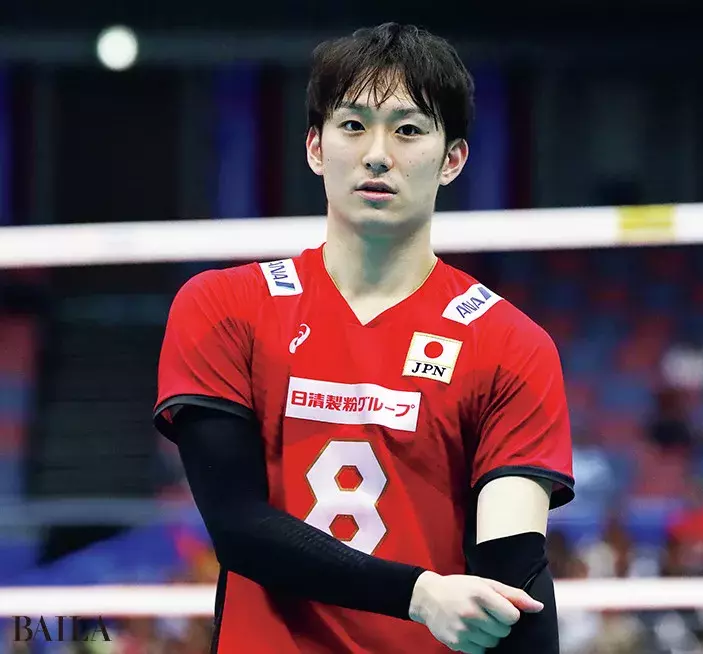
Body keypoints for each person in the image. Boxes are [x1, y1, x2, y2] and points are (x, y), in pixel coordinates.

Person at [153, 22, 574, 654]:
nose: (378, 154)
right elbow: (238, 528)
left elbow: (514, 577)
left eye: (408, 130)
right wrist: (419, 595)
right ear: (315, 148)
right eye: (353, 125)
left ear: (452, 159)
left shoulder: (512, 347)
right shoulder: (223, 308)